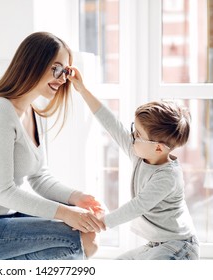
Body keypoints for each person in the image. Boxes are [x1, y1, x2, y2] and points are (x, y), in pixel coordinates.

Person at [0, 32, 105, 260]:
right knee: (83, 240)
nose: (63, 79)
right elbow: (3, 192)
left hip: (4, 217)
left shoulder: (32, 112)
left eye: (65, 72)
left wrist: (77, 198)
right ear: (33, 63)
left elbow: (39, 177)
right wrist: (66, 213)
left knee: (87, 232)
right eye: (56, 69)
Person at [68, 66, 199, 260]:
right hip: (158, 244)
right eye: (133, 128)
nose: (132, 136)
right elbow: (111, 124)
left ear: (158, 148)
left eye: (138, 134)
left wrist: (101, 222)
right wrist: (82, 89)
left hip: (180, 247)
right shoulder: (140, 153)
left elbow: (137, 206)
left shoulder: (167, 177)